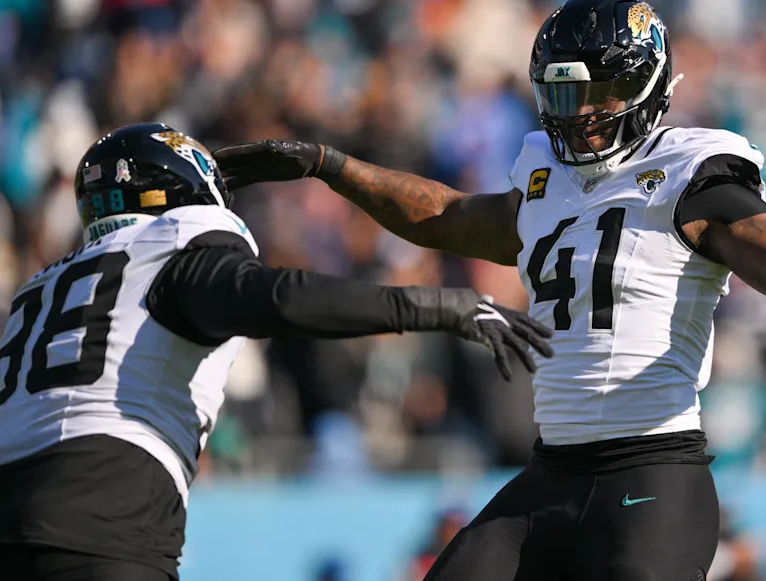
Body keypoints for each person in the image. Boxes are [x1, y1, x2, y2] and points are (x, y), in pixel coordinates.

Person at [214, 0, 766, 580]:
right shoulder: (546, 180)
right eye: (565, 90)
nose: (580, 110)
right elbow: (445, 216)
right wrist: (329, 164)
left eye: (599, 91)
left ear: (646, 85)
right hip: (551, 474)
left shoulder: (693, 173)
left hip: (653, 475)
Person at [0, 123, 552, 581]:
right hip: (106, 505)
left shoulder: (41, 286)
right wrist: (438, 307)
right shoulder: (173, 245)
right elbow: (282, 299)